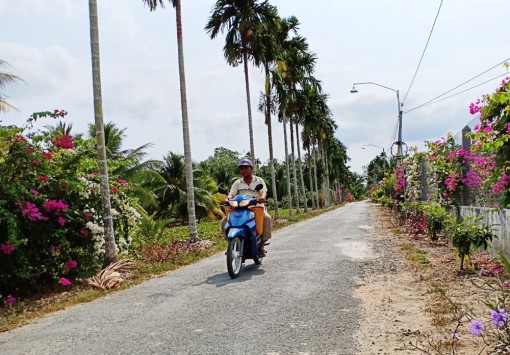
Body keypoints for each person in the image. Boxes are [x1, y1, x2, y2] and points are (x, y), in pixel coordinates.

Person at [220, 158, 272, 256]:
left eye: (245, 168)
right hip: (240, 207)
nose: (243, 170)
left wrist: (262, 198)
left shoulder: (259, 180)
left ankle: (262, 245)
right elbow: (231, 194)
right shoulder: (237, 183)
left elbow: (263, 192)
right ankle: (231, 243)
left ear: (251, 169)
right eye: (241, 169)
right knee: (223, 222)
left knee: (267, 218)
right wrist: (227, 200)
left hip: (256, 206)